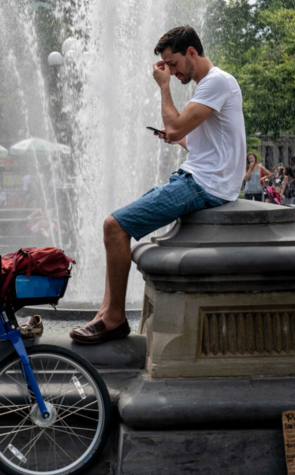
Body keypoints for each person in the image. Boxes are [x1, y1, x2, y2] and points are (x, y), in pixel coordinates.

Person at [69, 26, 246, 345]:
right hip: (201, 179)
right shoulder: (211, 85)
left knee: (114, 226)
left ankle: (114, 319)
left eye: (174, 63)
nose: (172, 72)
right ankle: (104, 312)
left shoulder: (216, 81)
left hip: (204, 186)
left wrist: (164, 90)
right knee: (116, 227)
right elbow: (200, 143)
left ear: (192, 52)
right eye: (167, 68)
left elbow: (176, 126)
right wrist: (177, 138)